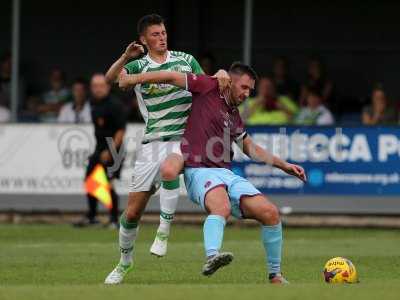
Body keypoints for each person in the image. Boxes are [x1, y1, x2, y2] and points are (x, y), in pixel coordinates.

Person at [107, 62, 306, 284]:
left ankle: (275, 275)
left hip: (226, 173)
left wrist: (285, 166)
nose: (247, 94)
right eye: (244, 87)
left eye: (250, 90)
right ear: (230, 81)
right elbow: (170, 76)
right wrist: (133, 79)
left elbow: (251, 149)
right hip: (199, 170)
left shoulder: (234, 114)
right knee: (221, 207)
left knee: (270, 213)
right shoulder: (207, 86)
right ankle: (212, 256)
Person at [104, 14, 229, 258]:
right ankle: (124, 261)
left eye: (163, 33)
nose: (161, 38)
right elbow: (110, 80)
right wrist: (125, 57)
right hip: (152, 142)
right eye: (155, 34)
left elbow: (205, 87)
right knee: (131, 214)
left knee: (170, 170)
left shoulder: (185, 60)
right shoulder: (139, 66)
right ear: (143, 39)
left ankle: (163, 232)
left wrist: (221, 73)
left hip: (184, 139)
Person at [74, 73, 126, 228]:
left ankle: (114, 220)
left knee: (109, 183)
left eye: (101, 86)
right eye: (94, 86)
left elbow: (120, 131)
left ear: (108, 86)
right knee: (90, 180)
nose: (97, 89)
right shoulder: (93, 103)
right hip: (99, 148)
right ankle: (92, 216)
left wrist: (110, 152)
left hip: (113, 149)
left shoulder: (115, 105)